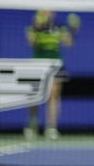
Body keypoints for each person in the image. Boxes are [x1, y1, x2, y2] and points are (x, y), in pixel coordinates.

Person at [24, 10, 80, 140]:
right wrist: (37, 26)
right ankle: (32, 126)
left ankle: (51, 128)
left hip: (55, 64)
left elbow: (69, 43)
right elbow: (31, 42)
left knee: (54, 95)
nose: (49, 14)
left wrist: (74, 29)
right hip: (38, 64)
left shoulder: (59, 28)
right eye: (46, 12)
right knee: (34, 96)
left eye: (51, 12)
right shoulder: (33, 28)